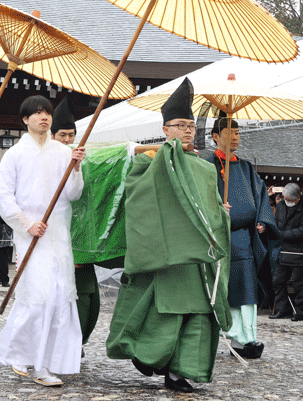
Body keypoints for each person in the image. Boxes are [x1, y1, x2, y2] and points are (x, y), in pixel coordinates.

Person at [106, 77, 231, 394]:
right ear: (165, 129)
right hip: (167, 253)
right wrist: (164, 159)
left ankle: (181, 372)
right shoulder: (149, 159)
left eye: (191, 126)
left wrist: (220, 212)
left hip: (198, 257)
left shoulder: (204, 167)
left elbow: (209, 206)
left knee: (199, 312)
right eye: (180, 126)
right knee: (167, 312)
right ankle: (150, 357)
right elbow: (135, 196)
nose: (188, 131)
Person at [0, 95, 85, 387]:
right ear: (25, 119)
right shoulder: (14, 155)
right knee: (38, 297)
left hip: (58, 233)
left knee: (60, 297)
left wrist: (76, 167)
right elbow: (4, 198)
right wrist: (27, 224)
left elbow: (74, 194)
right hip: (31, 235)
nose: (44, 117)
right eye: (38, 113)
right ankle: (22, 354)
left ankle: (44, 365)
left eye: (47, 113)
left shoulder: (63, 152)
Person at [206, 114, 279, 359]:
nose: (235, 138)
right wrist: (217, 208)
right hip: (219, 239)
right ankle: (231, 335)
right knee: (225, 290)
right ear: (216, 136)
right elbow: (200, 199)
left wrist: (263, 221)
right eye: (229, 133)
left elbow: (261, 197)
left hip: (244, 238)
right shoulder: (207, 166)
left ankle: (247, 338)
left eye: (237, 133)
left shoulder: (246, 167)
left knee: (247, 290)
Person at [50, 96, 100, 355]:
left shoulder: (84, 159)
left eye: (71, 135)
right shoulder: (45, 161)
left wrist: (78, 167)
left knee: (88, 294)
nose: (68, 140)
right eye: (62, 135)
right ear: (52, 136)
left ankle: (77, 341)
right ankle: (60, 343)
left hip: (80, 237)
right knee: (59, 294)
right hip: (53, 237)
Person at [270, 183, 303, 321]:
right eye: (284, 198)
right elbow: (277, 222)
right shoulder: (281, 206)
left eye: (289, 199)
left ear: (298, 197)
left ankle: (301, 312)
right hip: (282, 250)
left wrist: (282, 234)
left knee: (298, 283)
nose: (286, 201)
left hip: (299, 251)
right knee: (277, 281)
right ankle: (282, 310)